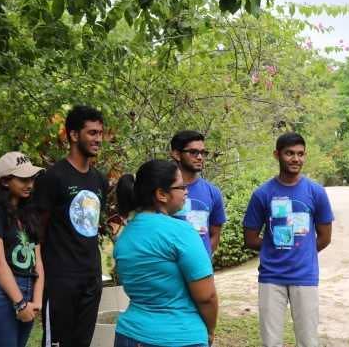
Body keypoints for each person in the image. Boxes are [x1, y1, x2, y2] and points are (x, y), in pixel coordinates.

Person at [113, 160, 218, 347]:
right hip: (179, 337)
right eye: (181, 186)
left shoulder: (124, 236)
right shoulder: (181, 232)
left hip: (128, 335)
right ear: (161, 194)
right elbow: (206, 296)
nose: (186, 191)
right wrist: (210, 330)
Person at [243, 132, 334, 347]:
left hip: (305, 276)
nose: (296, 159)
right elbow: (250, 238)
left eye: (300, 154)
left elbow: (324, 237)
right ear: (277, 155)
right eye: (289, 153)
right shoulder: (262, 194)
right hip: (270, 277)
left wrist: (301, 251)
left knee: (308, 340)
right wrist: (276, 247)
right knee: (271, 341)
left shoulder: (316, 192)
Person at [32, 105, 109, 347]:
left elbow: (93, 225)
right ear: (74, 135)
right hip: (60, 279)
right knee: (57, 343)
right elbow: (37, 230)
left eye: (100, 133)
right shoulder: (53, 178)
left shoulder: (100, 180)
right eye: (92, 133)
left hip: (91, 277)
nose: (98, 139)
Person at [0, 152, 44, 347]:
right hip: (3, 294)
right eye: (23, 179)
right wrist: (20, 303)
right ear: (5, 181)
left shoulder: (29, 214)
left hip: (29, 291)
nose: (30, 184)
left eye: (31, 178)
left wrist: (37, 301)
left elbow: (37, 261)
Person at [170, 130, 227, 258]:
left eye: (203, 153)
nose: (200, 157)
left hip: (201, 273)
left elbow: (214, 235)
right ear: (177, 154)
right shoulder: (162, 192)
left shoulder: (213, 192)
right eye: (193, 152)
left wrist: (201, 262)